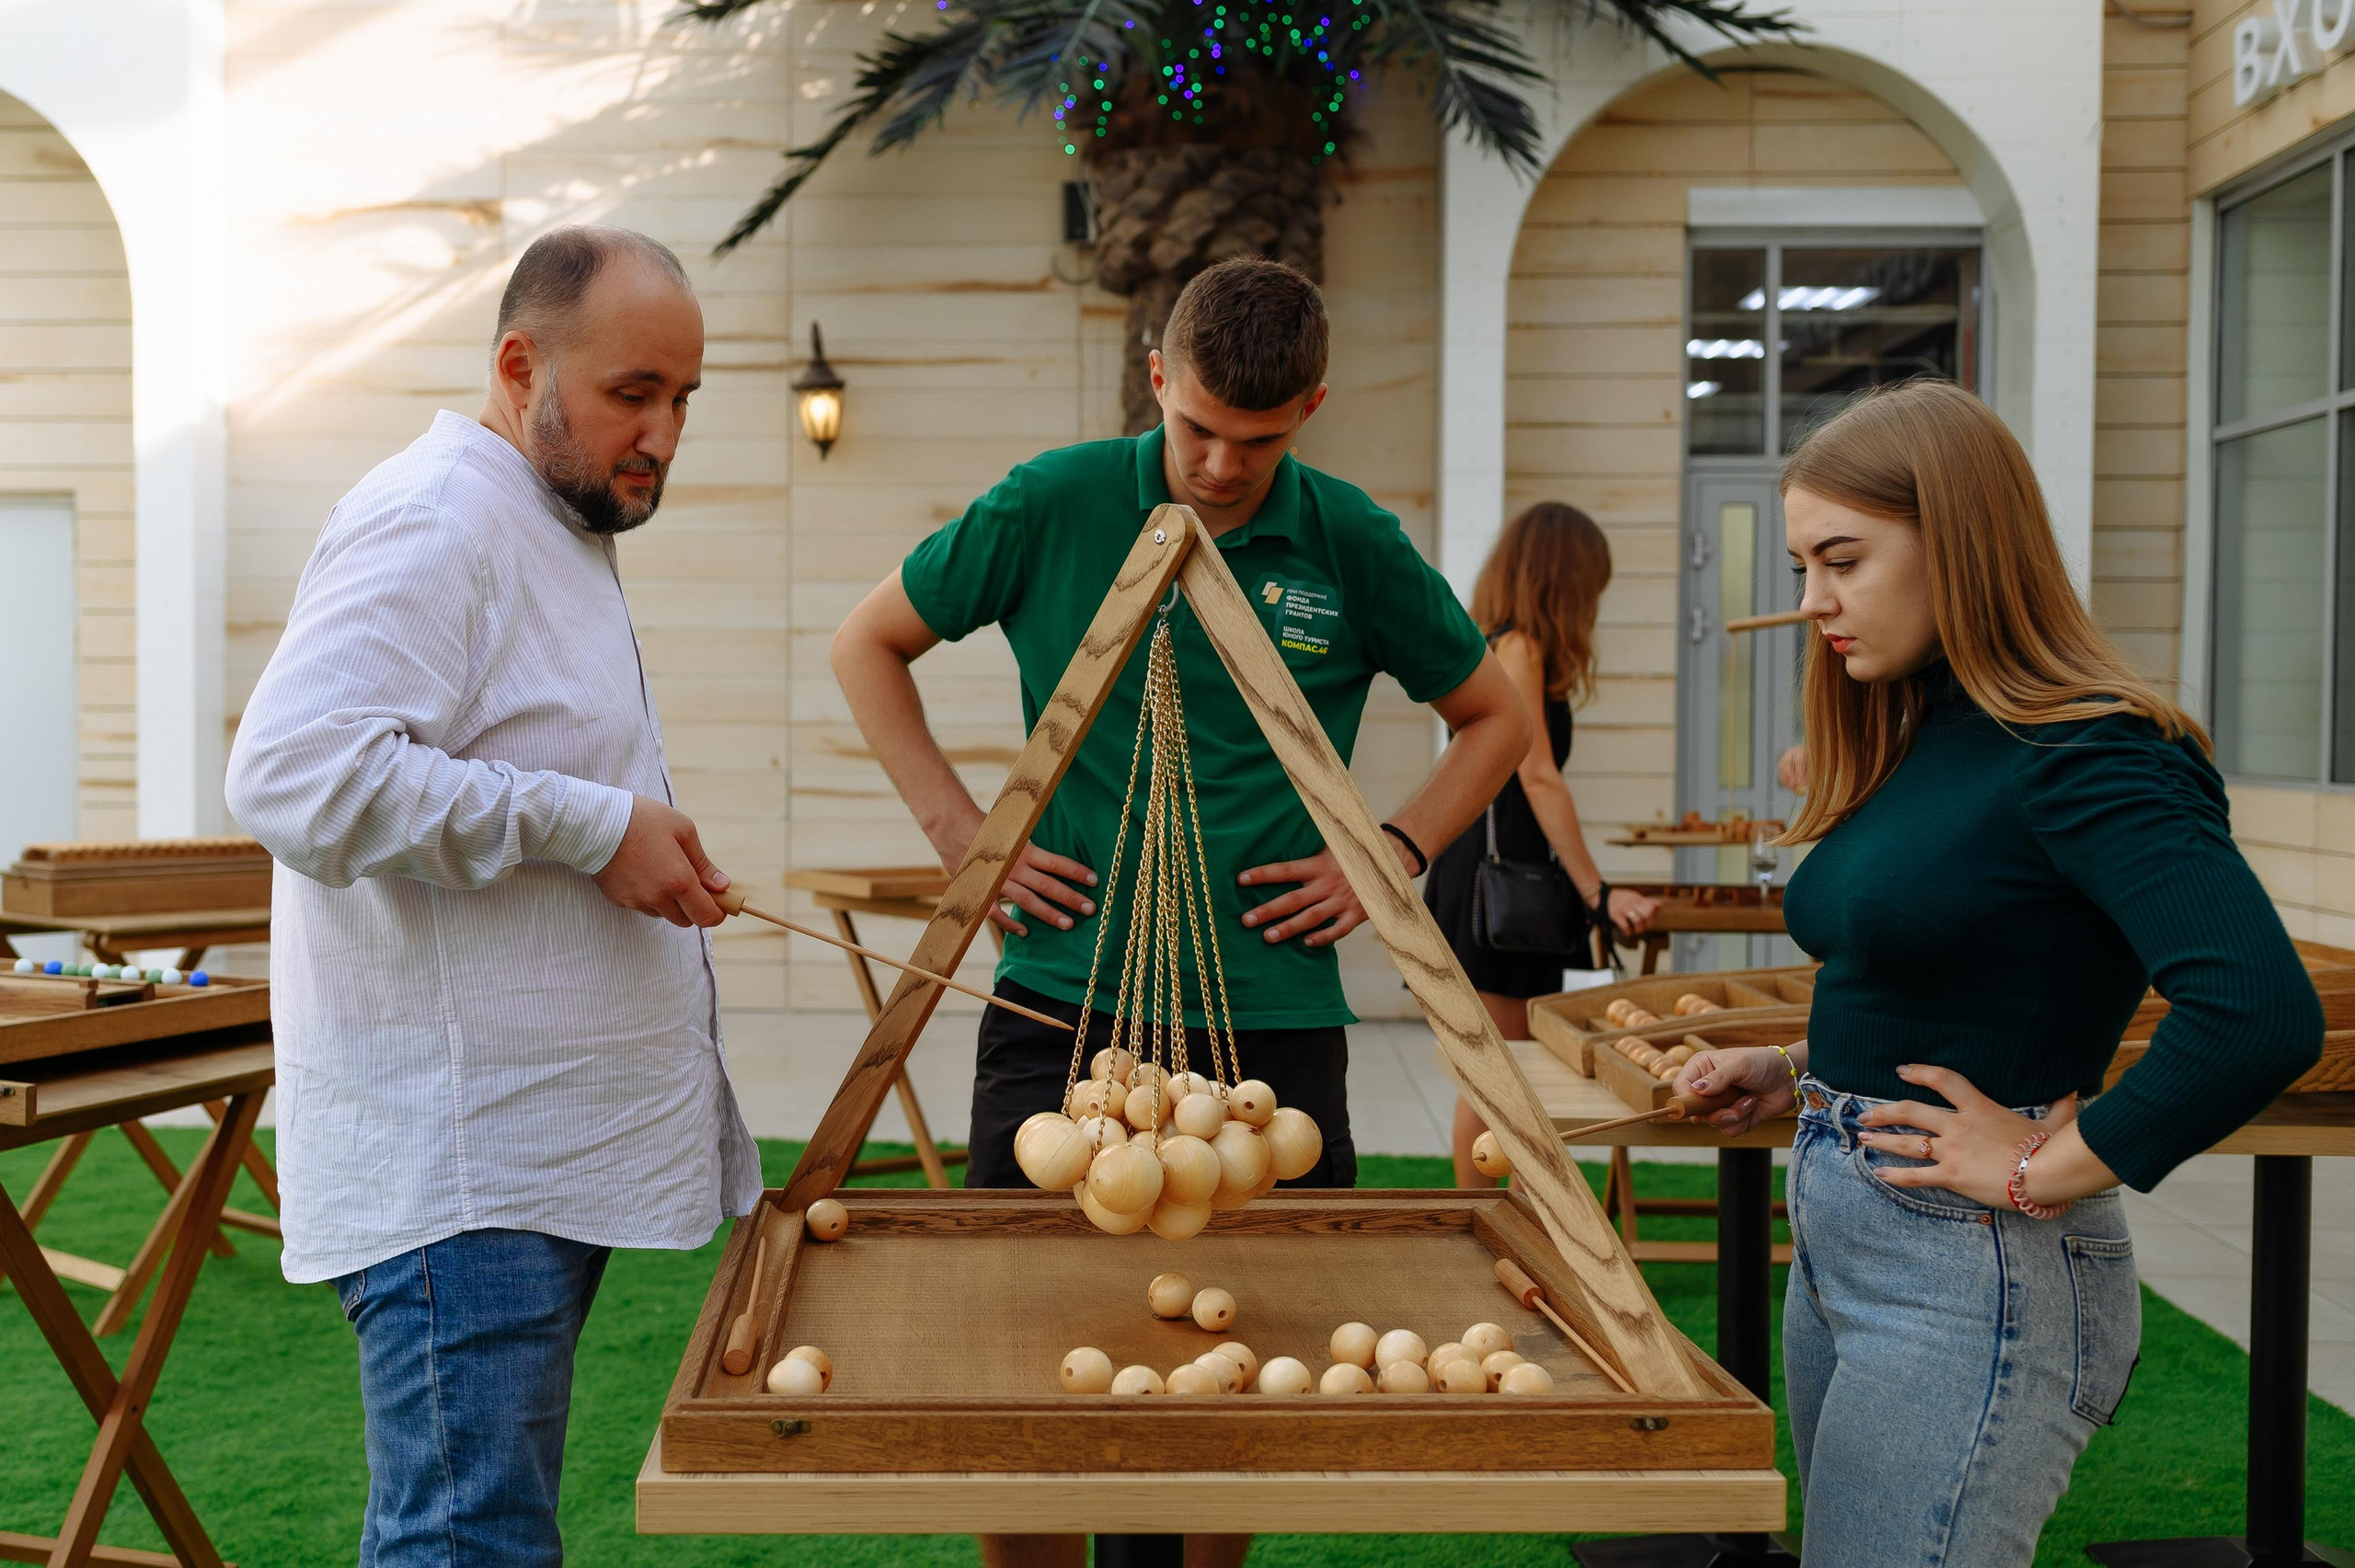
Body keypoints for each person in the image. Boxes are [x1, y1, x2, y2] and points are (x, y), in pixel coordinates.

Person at [831, 258, 1527, 1567]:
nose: (1216, 465)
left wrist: (1388, 852)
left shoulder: (1350, 542)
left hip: (1269, 1017)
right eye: (1197, 425)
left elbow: (1493, 715)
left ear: (1312, 406)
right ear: (1157, 376)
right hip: (1055, 991)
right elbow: (868, 642)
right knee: (1018, 1361)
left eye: (1256, 441)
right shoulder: (1055, 503)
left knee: (1246, 1358)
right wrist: (959, 832)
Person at [1671, 380, 2323, 1568]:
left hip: (1968, 1272)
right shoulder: (1919, 727)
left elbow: (2258, 1009)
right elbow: (1959, 960)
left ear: (1958, 540)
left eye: (1842, 560)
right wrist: (1801, 1068)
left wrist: (2041, 1167)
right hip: (1844, 1239)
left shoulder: (2091, 750)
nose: (1811, 600)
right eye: (1803, 564)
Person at [226, 225, 758, 1567]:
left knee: (487, 1534)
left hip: (525, 1163)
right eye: (633, 393)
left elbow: (511, 762)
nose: (664, 433)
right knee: (465, 1545)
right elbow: (292, 776)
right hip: (460, 1177)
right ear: (521, 366)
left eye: (683, 399)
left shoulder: (543, 514)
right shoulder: (434, 514)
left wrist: (628, 838)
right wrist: (592, 829)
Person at [1421, 502, 1657, 1187]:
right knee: (1499, 1070)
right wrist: (1598, 892)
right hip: (1500, 886)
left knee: (1508, 1068)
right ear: (1565, 577)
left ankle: (1512, 1214)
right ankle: (1484, 1218)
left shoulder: (1506, 642)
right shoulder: (1518, 645)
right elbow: (1539, 776)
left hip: (1505, 880)